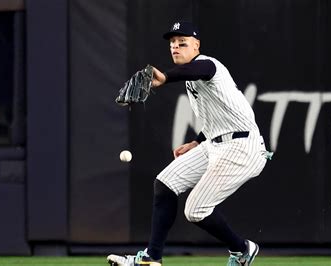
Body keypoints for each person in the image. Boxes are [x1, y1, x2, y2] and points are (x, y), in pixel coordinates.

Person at [107, 22, 272, 266]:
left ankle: (242, 249)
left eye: (182, 43)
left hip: (242, 147)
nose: (175, 47)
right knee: (165, 183)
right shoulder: (192, 77)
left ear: (197, 45)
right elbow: (223, 115)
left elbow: (201, 69)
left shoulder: (209, 65)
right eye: (172, 44)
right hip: (215, 144)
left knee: (195, 210)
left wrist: (164, 77)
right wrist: (197, 141)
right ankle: (152, 258)